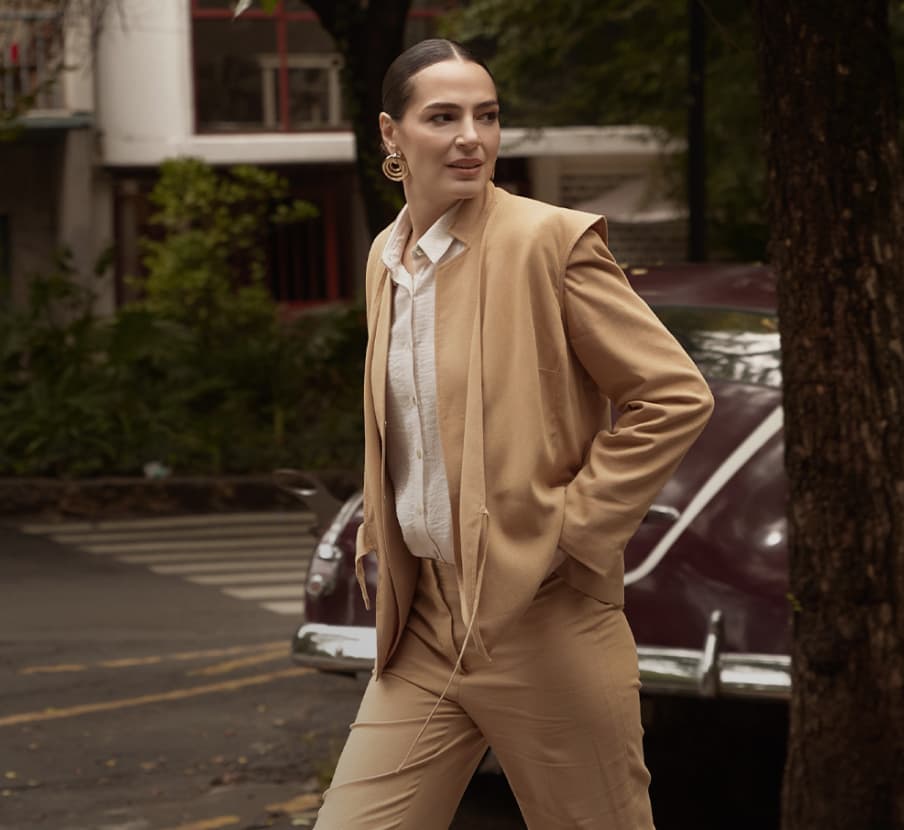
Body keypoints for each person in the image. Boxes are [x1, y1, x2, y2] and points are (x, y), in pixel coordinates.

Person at [314, 38, 714, 830]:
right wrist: (375, 534)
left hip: (547, 623)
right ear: (391, 135)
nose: (471, 135)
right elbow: (405, 425)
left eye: (486, 116)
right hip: (424, 626)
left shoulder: (549, 242)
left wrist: (574, 529)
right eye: (444, 116)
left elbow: (671, 395)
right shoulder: (385, 258)